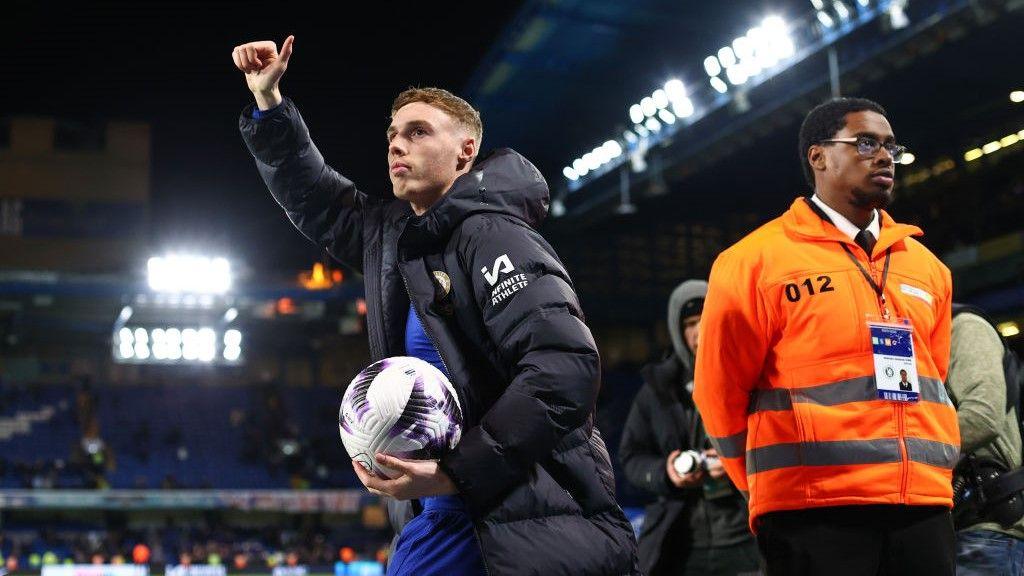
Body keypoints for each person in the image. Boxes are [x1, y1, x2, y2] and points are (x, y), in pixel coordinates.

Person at [231, 36, 638, 576]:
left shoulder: (494, 237)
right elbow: (318, 199)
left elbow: (565, 369)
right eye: (393, 135)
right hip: (449, 515)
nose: (396, 145)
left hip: (516, 524)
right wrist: (269, 103)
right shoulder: (397, 238)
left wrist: (456, 472)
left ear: (465, 151)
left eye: (418, 132)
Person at [693, 97, 958, 575]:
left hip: (921, 504)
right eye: (865, 143)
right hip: (811, 512)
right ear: (818, 157)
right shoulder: (754, 262)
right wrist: (762, 487)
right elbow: (719, 393)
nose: (884, 157)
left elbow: (933, 379)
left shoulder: (929, 268)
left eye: (890, 147)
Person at [619, 279, 758, 576]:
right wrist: (666, 472)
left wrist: (736, 460)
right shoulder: (657, 390)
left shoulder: (751, 377)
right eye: (690, 323)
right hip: (682, 543)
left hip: (744, 537)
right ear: (677, 330)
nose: (699, 331)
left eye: (706, 319)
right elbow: (631, 457)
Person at [946, 306, 1024, 574]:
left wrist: (912, 449)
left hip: (987, 530)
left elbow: (982, 417)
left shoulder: (964, 326)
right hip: (958, 531)